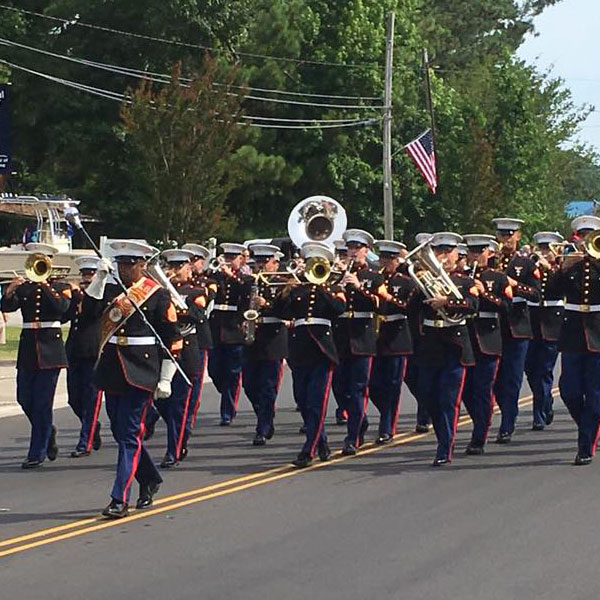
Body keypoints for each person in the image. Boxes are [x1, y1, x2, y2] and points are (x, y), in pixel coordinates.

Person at [83, 240, 182, 518]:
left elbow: (173, 340)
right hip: (113, 368)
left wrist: (166, 378)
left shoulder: (157, 295)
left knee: (128, 435)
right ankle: (149, 478)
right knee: (120, 430)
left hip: (142, 369)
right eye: (120, 264)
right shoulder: (112, 291)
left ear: (142, 266)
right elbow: (87, 313)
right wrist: (100, 279)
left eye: (129, 264)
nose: (123, 269)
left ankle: (119, 498)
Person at [273, 241, 346, 468]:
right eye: (309, 263)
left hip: (322, 350)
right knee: (303, 401)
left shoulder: (332, 289)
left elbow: (338, 309)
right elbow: (279, 311)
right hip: (299, 349)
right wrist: (287, 289)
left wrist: (322, 286)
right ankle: (321, 442)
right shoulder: (297, 290)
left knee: (316, 402)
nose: (313, 267)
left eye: (318, 263)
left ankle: (309, 449)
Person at [1, 242, 72, 468]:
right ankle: (47, 431)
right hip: (29, 349)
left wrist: (45, 284)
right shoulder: (26, 287)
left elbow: (63, 309)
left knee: (42, 404)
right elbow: (7, 306)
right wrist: (10, 290)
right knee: (24, 399)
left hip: (51, 351)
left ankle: (36, 452)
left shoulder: (61, 286)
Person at [416, 232, 479, 466]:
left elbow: (472, 306)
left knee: (448, 398)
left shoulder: (465, 281)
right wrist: (419, 284)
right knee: (427, 394)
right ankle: (444, 435)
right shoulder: (425, 280)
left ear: (456, 254)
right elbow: (412, 308)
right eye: (438, 251)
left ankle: (445, 445)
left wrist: (447, 302)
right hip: (431, 343)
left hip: (455, 344)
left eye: (447, 251)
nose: (443, 256)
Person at [333, 229, 387, 455]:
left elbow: (382, 305)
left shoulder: (375, 276)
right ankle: (360, 420)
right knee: (339, 387)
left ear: (366, 250)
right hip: (340, 337)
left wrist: (359, 287)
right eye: (350, 248)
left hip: (362, 339)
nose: (353, 252)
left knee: (357, 388)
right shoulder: (336, 275)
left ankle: (352, 436)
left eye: (357, 248)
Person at [155, 248, 209, 468]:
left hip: (186, 353)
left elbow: (198, 316)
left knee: (179, 404)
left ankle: (173, 450)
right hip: (163, 350)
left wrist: (178, 308)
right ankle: (181, 433)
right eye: (173, 266)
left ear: (189, 267)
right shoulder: (159, 292)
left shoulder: (196, 291)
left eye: (181, 267)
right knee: (162, 403)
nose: (176, 271)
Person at [555, 215, 600, 465]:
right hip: (573, 332)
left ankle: (585, 445)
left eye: (589, 236)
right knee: (569, 391)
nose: (585, 241)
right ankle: (589, 425)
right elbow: (549, 292)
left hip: (598, 331)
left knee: (595, 394)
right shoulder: (570, 264)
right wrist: (563, 267)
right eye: (582, 236)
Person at [492, 218, 541, 443]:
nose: (507, 239)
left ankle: (507, 423)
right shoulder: (490, 261)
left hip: (518, 327)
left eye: (510, 235)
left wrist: (514, 284)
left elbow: (536, 294)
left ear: (518, 236)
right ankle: (505, 412)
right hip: (492, 328)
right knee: (495, 381)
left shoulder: (526, 263)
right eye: (503, 235)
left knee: (511, 378)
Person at [461, 235, 512, 455]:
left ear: (488, 253)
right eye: (471, 252)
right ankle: (479, 421)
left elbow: (507, 306)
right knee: (465, 390)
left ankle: (479, 435)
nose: (475, 256)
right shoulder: (460, 277)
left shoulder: (498, 278)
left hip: (489, 339)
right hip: (466, 337)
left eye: (479, 252)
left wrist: (486, 293)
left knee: (483, 389)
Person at [369, 240, 415, 443]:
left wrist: (387, 297)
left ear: (398, 260)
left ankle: (387, 426)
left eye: (390, 259)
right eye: (383, 258)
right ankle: (384, 415)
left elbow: (408, 308)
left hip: (397, 336)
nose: (385, 262)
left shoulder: (406, 282)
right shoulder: (374, 279)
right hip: (377, 336)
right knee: (374, 385)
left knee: (393, 385)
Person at [242, 244, 288, 446]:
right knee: (249, 385)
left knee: (268, 387)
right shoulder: (248, 283)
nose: (260, 265)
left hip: (273, 339)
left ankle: (262, 427)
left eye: (265, 262)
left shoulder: (283, 283)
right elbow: (238, 307)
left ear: (275, 262)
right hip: (252, 338)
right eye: (257, 262)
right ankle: (266, 414)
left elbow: (287, 311)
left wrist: (266, 305)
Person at [208, 243, 252, 426]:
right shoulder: (215, 276)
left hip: (234, 326)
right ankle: (225, 392)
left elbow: (246, 293)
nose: (228, 261)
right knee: (214, 370)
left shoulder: (245, 278)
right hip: (217, 325)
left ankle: (228, 411)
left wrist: (231, 276)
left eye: (232, 258)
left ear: (240, 260)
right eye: (226, 257)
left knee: (232, 373)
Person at [525, 232, 565, 430]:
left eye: (548, 248)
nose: (544, 252)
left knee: (544, 368)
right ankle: (545, 399)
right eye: (542, 248)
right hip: (533, 319)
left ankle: (538, 414)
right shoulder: (531, 266)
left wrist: (550, 268)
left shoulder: (563, 267)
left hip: (553, 319)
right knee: (530, 368)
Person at [64, 256, 103, 458]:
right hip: (74, 350)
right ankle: (92, 426)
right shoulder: (76, 296)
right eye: (84, 275)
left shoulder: (100, 295)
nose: (86, 278)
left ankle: (85, 442)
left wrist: (83, 294)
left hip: (93, 351)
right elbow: (64, 316)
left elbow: (94, 312)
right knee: (73, 398)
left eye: (91, 275)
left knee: (91, 398)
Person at [181, 243, 216, 454]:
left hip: (198, 338)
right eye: (188, 261)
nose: (192, 265)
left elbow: (207, 301)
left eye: (194, 261)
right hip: (173, 340)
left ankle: (189, 418)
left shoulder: (206, 284)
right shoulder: (169, 284)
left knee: (194, 384)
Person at [404, 233, 433, 433]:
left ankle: (425, 415)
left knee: (426, 377)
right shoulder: (410, 275)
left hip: (433, 334)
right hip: (412, 333)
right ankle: (427, 406)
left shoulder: (442, 277)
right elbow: (409, 306)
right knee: (411, 376)